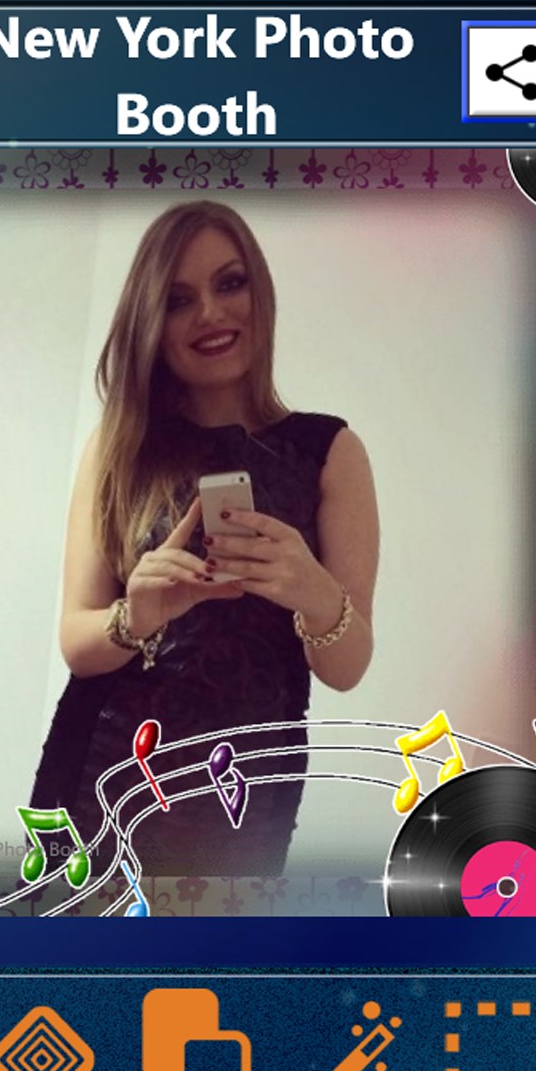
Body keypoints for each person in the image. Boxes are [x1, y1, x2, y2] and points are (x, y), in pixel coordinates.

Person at [31, 200, 379, 877]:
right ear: (152, 322)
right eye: (178, 299)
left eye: (230, 283)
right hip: (102, 768)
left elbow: (347, 668)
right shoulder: (119, 447)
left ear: (260, 291)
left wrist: (313, 590)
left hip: (242, 788)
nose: (211, 314)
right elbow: (77, 640)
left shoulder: (330, 452)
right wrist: (137, 615)